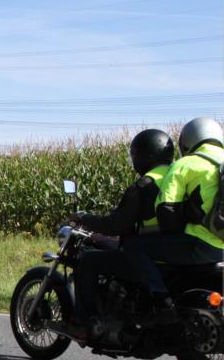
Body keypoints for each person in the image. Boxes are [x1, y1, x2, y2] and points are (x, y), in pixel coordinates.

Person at [123, 117, 224, 320]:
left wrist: (177, 228)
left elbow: (166, 208)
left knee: (134, 246)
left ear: (187, 141)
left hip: (202, 246)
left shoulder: (185, 165)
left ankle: (161, 302)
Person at [53, 129, 174, 339]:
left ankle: (82, 323)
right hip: (181, 250)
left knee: (89, 260)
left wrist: (84, 219)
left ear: (144, 155)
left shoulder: (145, 185)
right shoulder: (179, 177)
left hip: (149, 253)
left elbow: (115, 224)